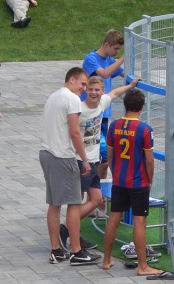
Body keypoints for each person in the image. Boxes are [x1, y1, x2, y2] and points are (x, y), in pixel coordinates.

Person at [59, 76, 141, 252]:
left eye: (97, 90)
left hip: (94, 160)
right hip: (81, 161)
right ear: (85, 90)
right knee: (77, 200)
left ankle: (68, 229)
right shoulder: (78, 109)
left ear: (102, 91)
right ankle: (68, 230)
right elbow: (68, 131)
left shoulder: (103, 101)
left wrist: (131, 85)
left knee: (96, 200)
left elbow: (115, 93)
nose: (94, 93)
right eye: (90, 89)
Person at [39, 66, 101, 265]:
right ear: (72, 79)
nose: (84, 89)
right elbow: (75, 133)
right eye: (83, 84)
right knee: (74, 202)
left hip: (46, 153)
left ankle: (56, 251)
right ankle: (76, 251)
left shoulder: (54, 96)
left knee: (54, 203)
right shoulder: (72, 98)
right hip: (62, 156)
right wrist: (84, 159)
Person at [102, 89, 163, 276]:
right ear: (142, 107)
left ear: (125, 106)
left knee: (114, 217)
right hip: (138, 183)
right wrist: (149, 180)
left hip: (119, 180)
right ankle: (142, 266)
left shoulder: (114, 126)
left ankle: (106, 260)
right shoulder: (145, 130)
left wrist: (116, 172)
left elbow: (110, 155)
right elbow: (150, 160)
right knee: (140, 221)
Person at [82, 29, 125, 185]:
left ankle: (97, 194)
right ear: (107, 44)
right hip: (91, 116)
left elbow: (123, 74)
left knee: (103, 159)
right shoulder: (91, 58)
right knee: (102, 155)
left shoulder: (110, 60)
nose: (117, 52)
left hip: (104, 115)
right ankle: (95, 193)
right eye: (115, 49)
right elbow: (105, 74)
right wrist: (123, 58)